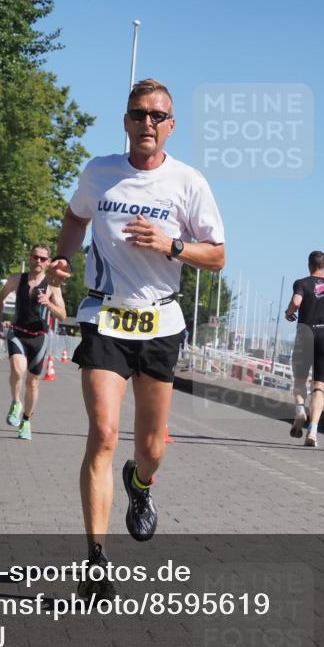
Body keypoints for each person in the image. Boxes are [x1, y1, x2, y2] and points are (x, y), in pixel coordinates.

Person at [50, 78, 224, 599]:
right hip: (104, 316)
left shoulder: (188, 183)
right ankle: (96, 559)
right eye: (137, 114)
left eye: (156, 115)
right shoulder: (99, 173)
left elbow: (216, 256)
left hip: (160, 323)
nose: (146, 123)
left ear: (170, 126)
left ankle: (141, 484)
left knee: (150, 446)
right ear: (125, 121)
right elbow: (75, 216)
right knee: (103, 433)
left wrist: (173, 247)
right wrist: (62, 258)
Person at [0, 244, 67, 440]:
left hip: (38, 337)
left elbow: (63, 315)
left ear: (48, 262)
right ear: (30, 258)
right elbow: (0, 298)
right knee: (17, 370)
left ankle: (26, 420)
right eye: (36, 257)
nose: (38, 261)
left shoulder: (53, 285)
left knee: (33, 382)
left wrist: (49, 303)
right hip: (17, 332)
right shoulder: (17, 279)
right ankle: (15, 402)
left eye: (43, 259)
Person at [284, 251, 324, 447]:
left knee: (300, 381)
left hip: (305, 334)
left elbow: (296, 302)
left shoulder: (302, 283)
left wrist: (289, 313)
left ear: (309, 265)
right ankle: (313, 431)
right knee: (318, 387)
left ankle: (300, 411)